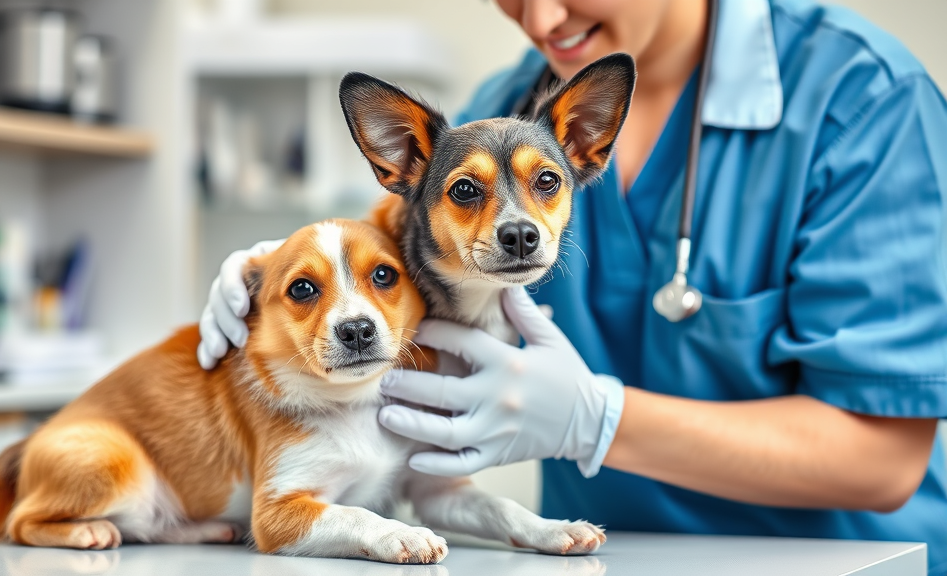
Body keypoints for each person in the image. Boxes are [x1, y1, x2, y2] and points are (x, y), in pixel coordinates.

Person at [198, 0, 947, 572]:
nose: (544, 20)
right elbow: (390, 244)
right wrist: (273, 270)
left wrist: (596, 421)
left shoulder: (861, 102)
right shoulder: (509, 108)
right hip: (598, 557)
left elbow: (881, 459)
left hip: (842, 563)